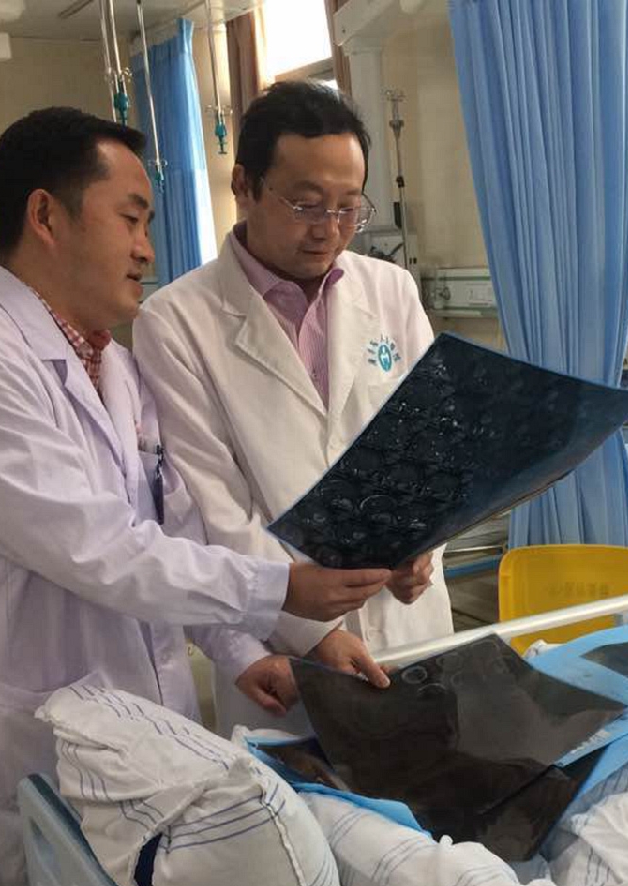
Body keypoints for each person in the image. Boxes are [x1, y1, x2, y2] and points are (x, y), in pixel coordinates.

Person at [0, 107, 392, 886]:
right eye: (130, 218)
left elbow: (175, 531)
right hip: (18, 751)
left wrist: (245, 651)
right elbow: (101, 550)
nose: (146, 249)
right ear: (46, 216)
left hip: (136, 741)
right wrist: (283, 587)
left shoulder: (112, 368)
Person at [133, 81, 453, 733]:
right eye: (306, 205)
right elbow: (212, 505)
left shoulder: (390, 291)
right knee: (297, 795)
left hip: (411, 627)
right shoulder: (175, 322)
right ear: (244, 186)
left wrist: (426, 550)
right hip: (287, 657)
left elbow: (435, 447)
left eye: (348, 207)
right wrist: (314, 632)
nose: (329, 230)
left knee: (433, 781)